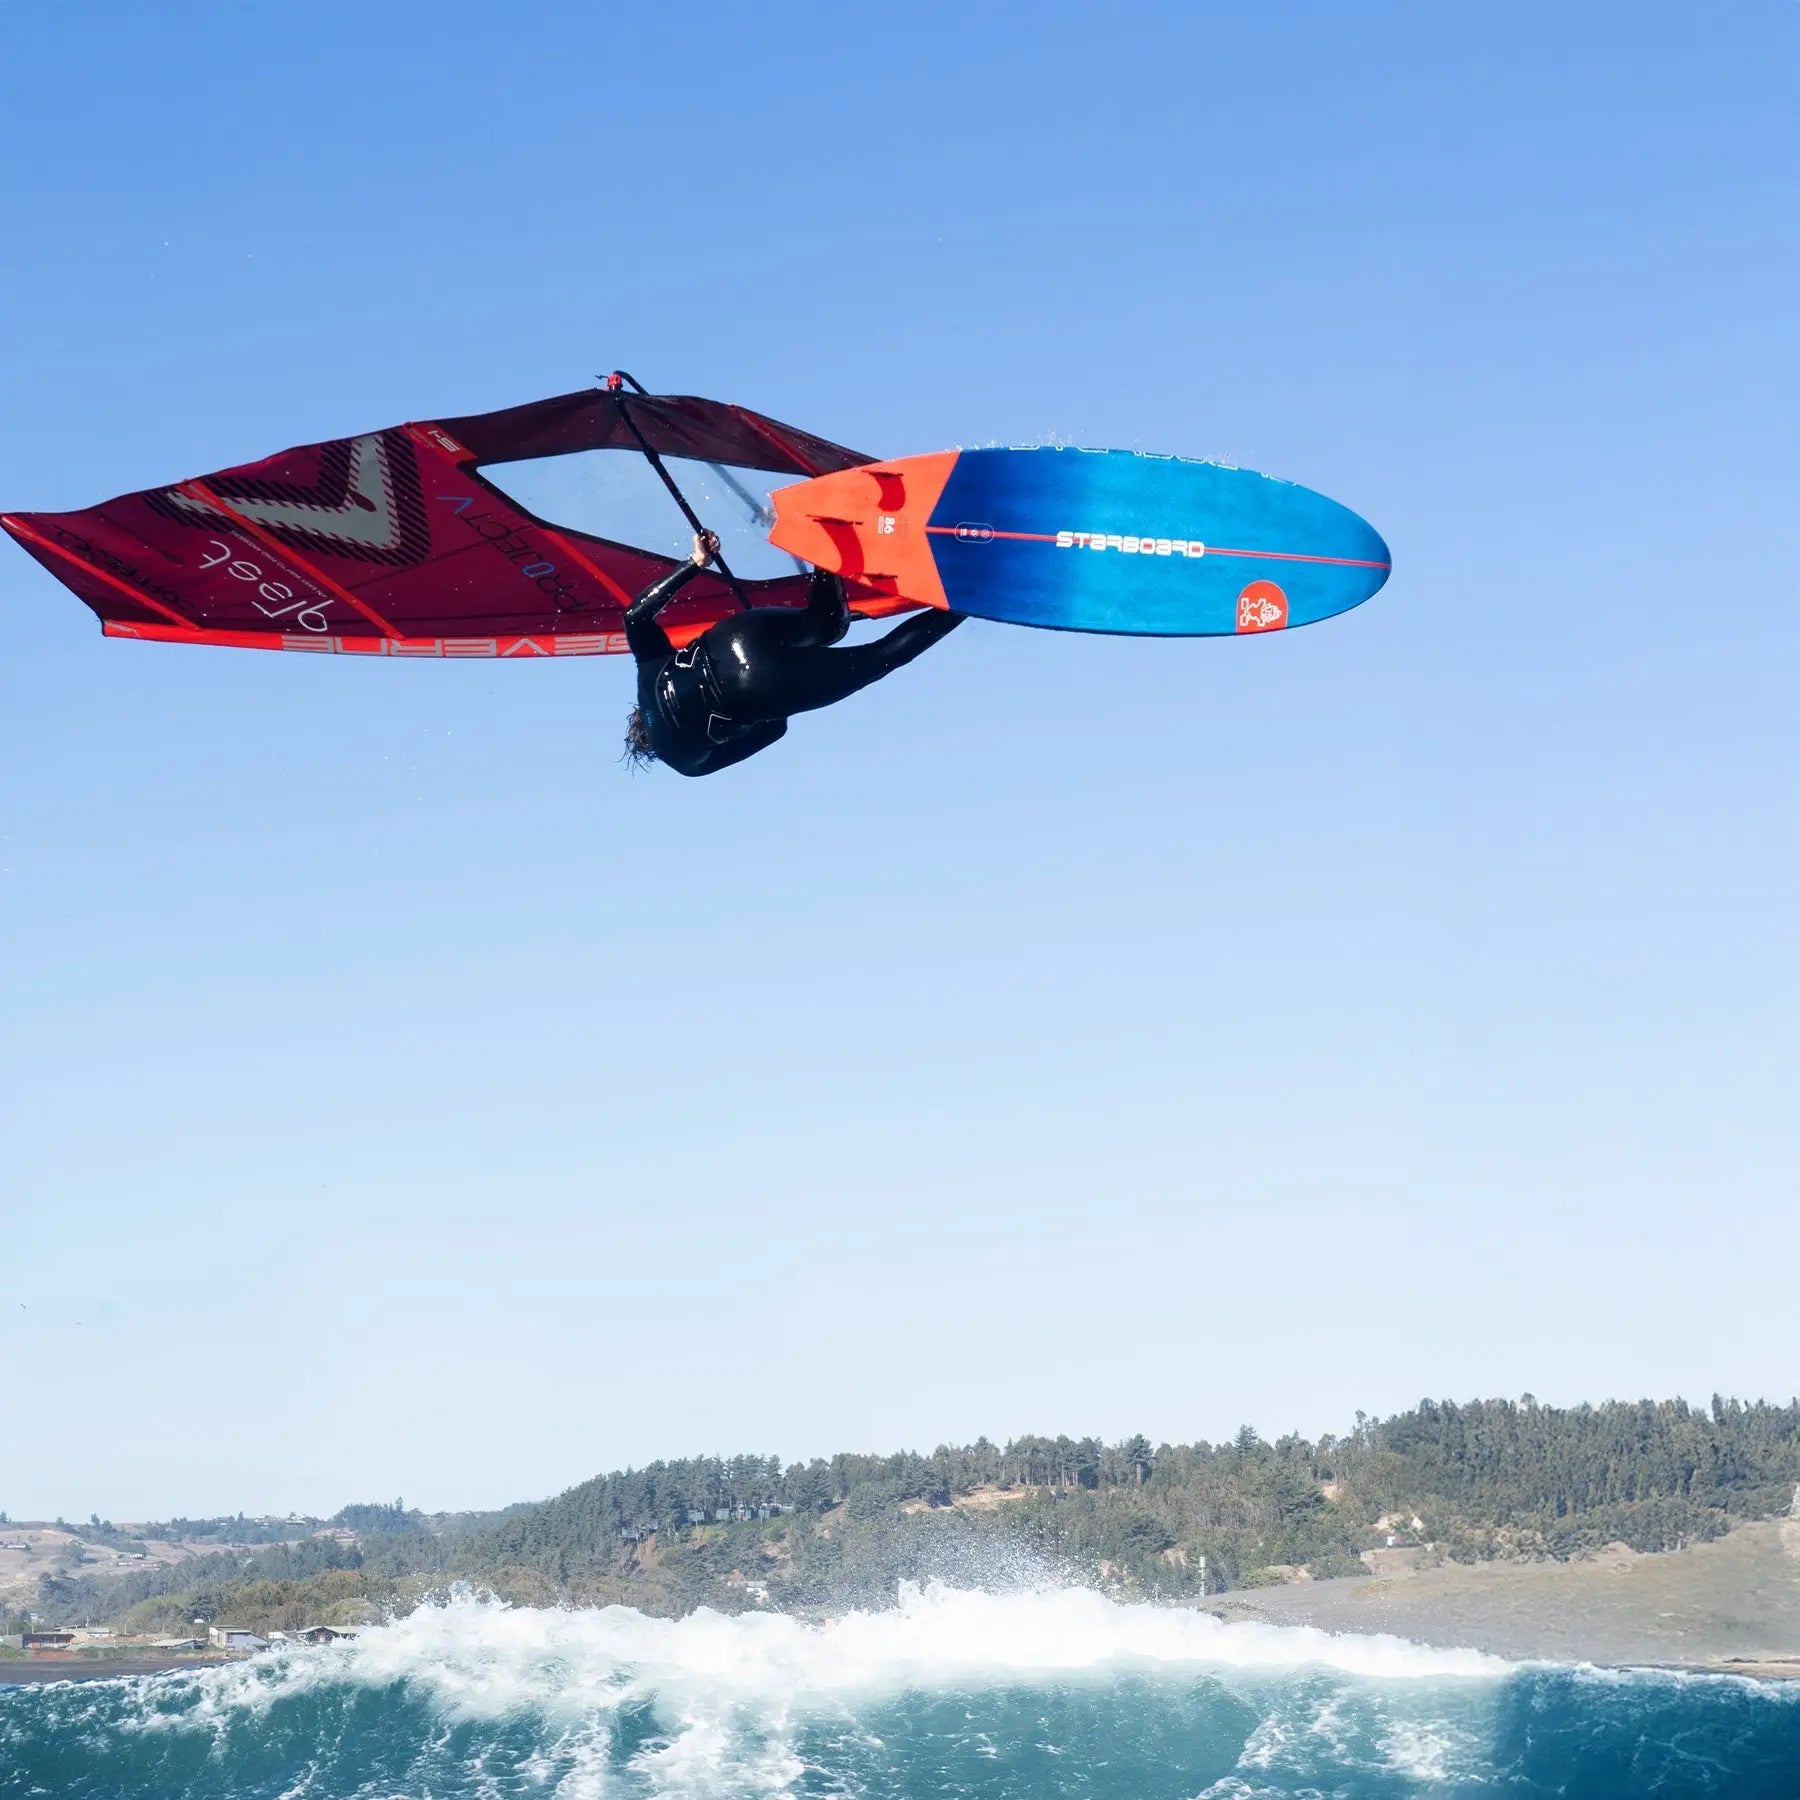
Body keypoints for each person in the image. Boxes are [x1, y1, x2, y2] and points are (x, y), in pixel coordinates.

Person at [623, 531, 964, 776]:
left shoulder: (687, 762)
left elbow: (773, 731)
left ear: (652, 748)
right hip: (736, 636)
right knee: (826, 624)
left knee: (878, 658)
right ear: (639, 713)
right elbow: (635, 617)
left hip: (760, 688)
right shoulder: (647, 676)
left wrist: (785, 693)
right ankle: (823, 542)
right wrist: (696, 562)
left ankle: (965, 600)